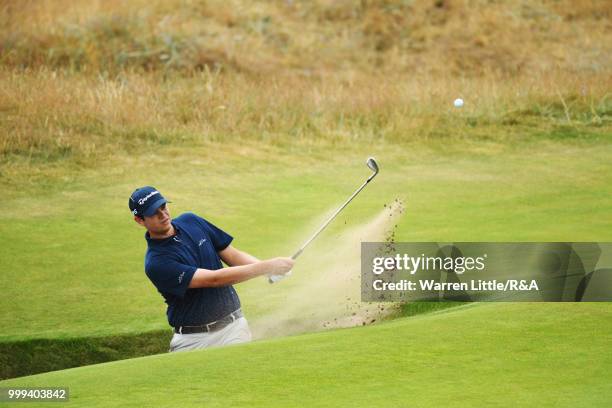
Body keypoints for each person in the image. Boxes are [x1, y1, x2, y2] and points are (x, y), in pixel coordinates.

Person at [129, 186, 293, 352]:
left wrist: (268, 271)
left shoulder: (191, 221)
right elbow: (214, 279)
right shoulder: (157, 262)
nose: (163, 215)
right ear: (140, 220)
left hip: (233, 328)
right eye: (153, 213)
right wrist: (267, 266)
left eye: (163, 207)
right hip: (192, 341)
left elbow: (233, 255)